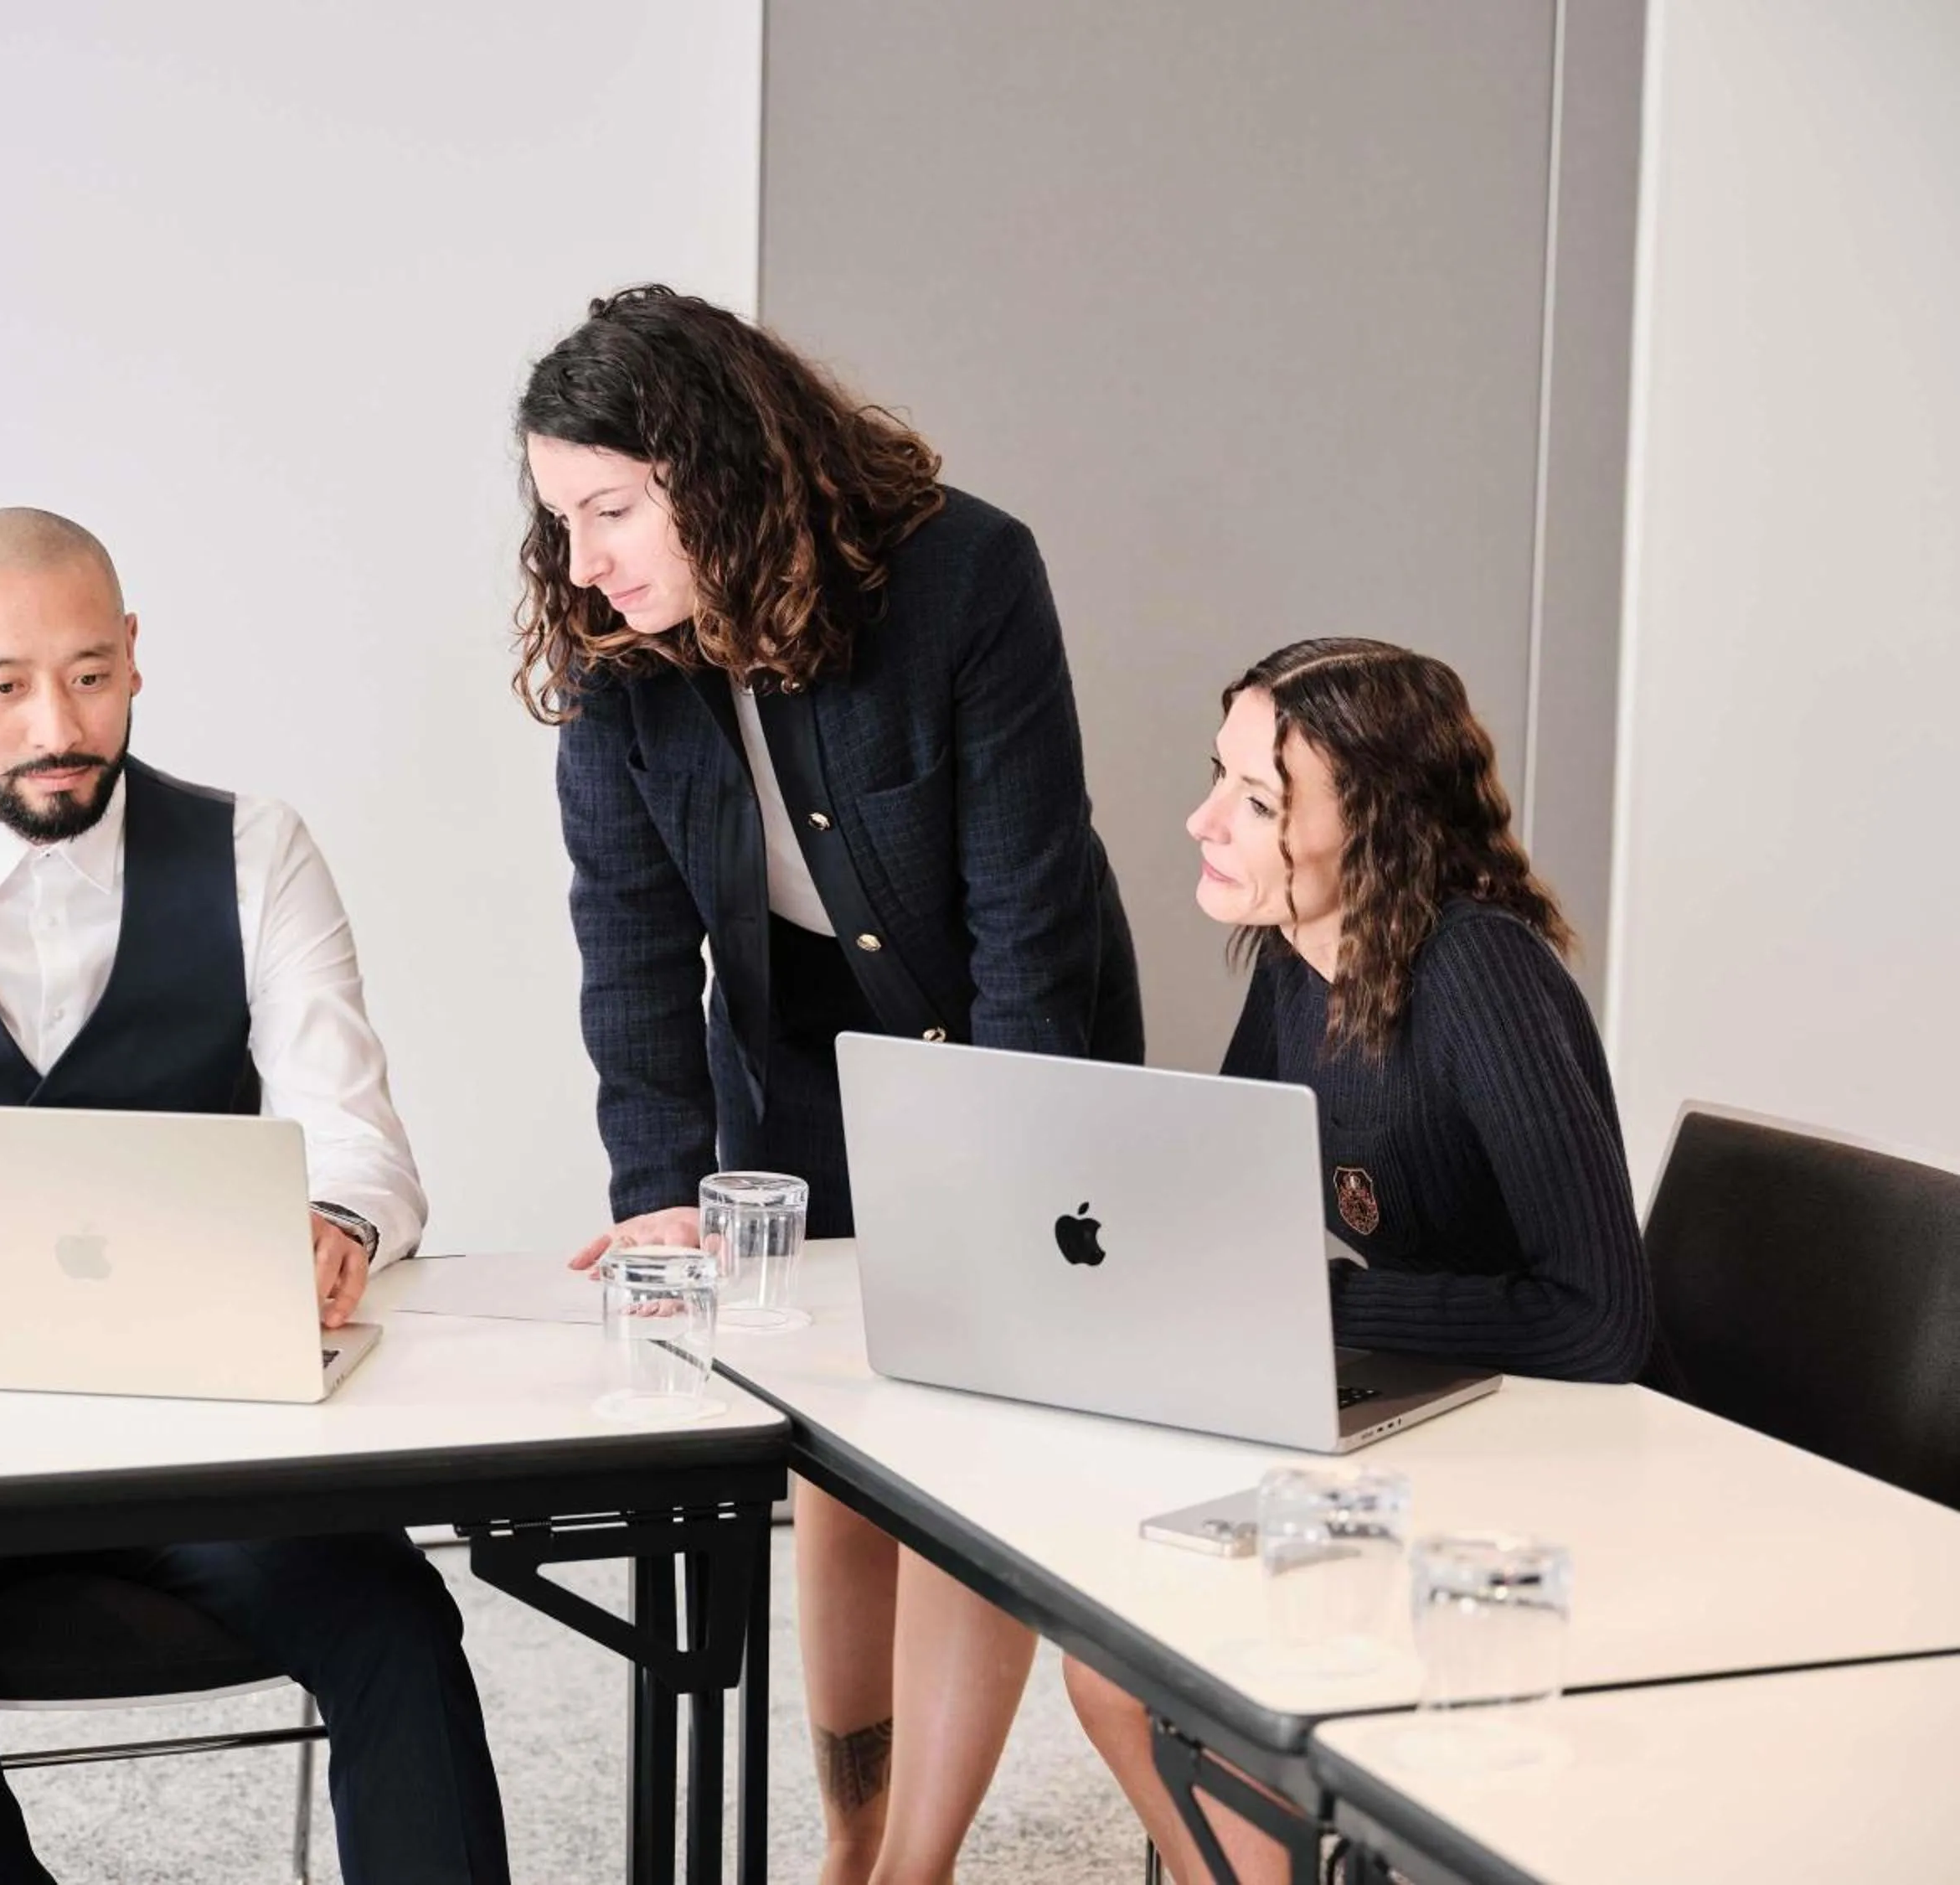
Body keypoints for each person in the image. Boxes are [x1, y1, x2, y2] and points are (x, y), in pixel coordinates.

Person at [0, 507, 508, 1885]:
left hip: (193, 1432)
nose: (57, 723)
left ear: (138, 657)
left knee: (393, 1616)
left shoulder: (256, 847)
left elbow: (356, 1130)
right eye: (7, 684)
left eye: (91, 675)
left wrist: (338, 1220)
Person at [514, 286, 1144, 1884]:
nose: (584, 561)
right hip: (799, 1081)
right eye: (561, 517)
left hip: (1013, 1054)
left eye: (611, 509)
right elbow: (633, 946)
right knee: (837, 1467)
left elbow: (1026, 926)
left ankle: (914, 1869)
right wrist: (656, 1189)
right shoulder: (615, 654)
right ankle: (850, 1844)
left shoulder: (967, 576)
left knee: (961, 1456)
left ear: (713, 469)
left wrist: (1007, 1204)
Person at [1063, 637, 1652, 1884]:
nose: (1203, 819)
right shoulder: (1296, 961)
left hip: (1539, 1484)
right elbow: (1223, 1206)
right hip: (1419, 1431)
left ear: (1373, 832)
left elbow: (1603, 1322)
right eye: (1219, 777)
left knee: (1167, 1674)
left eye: (1259, 800)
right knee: (1108, 1662)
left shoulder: (1480, 972)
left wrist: (1330, 1302)